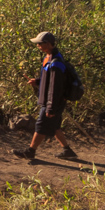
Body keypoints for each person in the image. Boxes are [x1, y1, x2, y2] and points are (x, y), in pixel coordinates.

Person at [13, 31, 78, 161]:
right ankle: (67, 150)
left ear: (48, 44)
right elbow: (48, 80)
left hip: (53, 101)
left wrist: (50, 108)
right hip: (51, 100)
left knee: (41, 125)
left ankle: (30, 152)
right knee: (54, 126)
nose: (38, 46)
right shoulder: (49, 58)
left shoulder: (56, 63)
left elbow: (56, 88)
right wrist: (37, 81)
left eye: (40, 44)